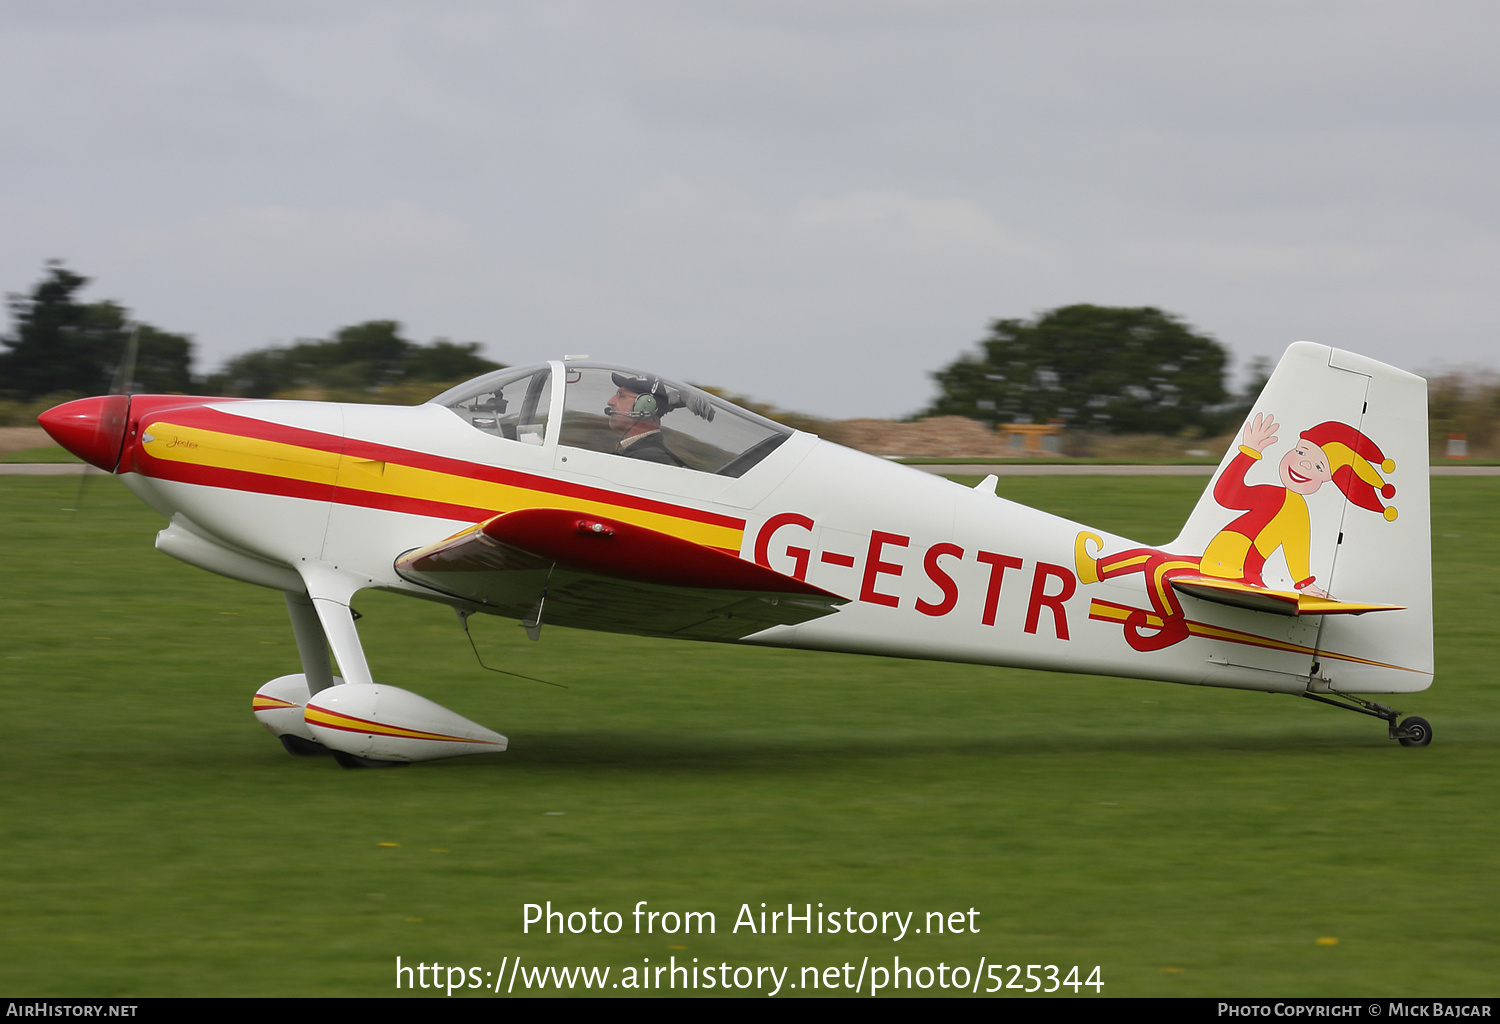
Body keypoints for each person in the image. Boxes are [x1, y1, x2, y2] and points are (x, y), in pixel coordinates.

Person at [604, 373, 685, 466]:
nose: (610, 402)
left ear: (645, 407)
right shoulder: (636, 452)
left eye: (621, 396)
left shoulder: (649, 458)